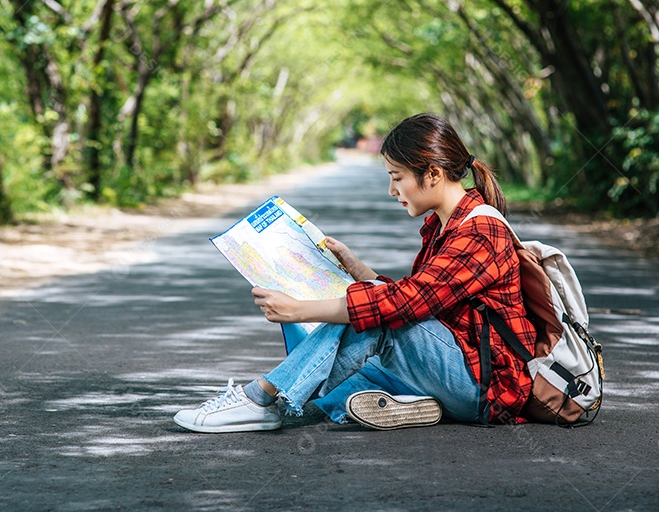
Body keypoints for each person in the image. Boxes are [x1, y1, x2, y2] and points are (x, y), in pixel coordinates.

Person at [173, 112, 537, 433]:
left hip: (486, 390)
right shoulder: (444, 225)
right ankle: (418, 406)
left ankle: (258, 398)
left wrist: (301, 310)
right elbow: (427, 300)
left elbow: (405, 305)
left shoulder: (480, 233)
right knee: (337, 393)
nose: (392, 190)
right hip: (457, 363)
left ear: (434, 174)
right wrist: (358, 269)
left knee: (376, 320)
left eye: (397, 177)